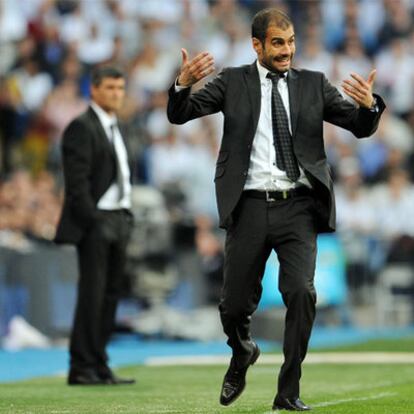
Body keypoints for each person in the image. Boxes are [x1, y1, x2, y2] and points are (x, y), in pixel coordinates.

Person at [167, 7, 385, 411]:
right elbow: (180, 115)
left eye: (291, 42)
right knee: (232, 307)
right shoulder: (233, 82)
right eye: (278, 43)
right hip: (247, 206)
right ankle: (242, 350)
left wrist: (370, 106)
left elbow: (360, 125)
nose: (287, 51)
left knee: (302, 293)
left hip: (299, 206)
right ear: (257, 45)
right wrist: (182, 84)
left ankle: (288, 391)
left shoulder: (314, 85)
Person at [55, 66, 136, 386]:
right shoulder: (81, 127)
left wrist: (124, 216)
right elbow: (76, 187)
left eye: (120, 88)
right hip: (97, 221)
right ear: (94, 90)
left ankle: (99, 363)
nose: (117, 93)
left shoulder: (118, 127)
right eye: (111, 88)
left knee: (111, 295)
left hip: (118, 218)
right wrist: (95, 221)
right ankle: (81, 366)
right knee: (93, 294)